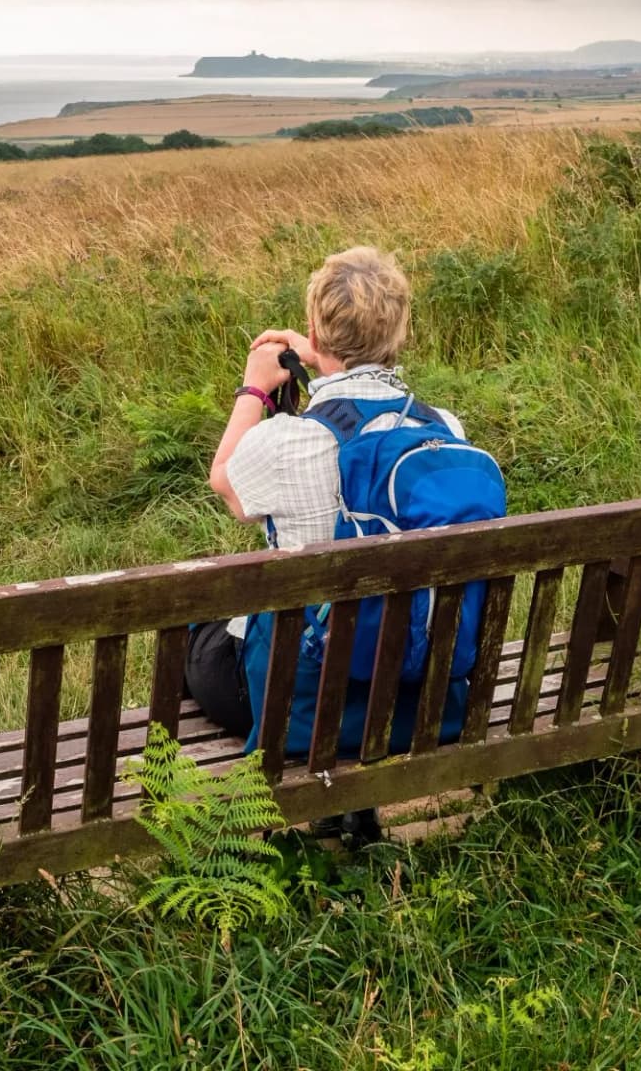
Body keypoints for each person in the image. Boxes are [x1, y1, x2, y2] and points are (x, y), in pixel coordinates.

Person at [188, 246, 501, 845]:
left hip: (307, 705)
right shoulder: (446, 429)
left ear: (312, 332)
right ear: (400, 332)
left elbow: (225, 482)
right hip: (429, 698)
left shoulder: (291, 441)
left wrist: (255, 388)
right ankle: (356, 808)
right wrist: (327, 357)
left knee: (202, 638)